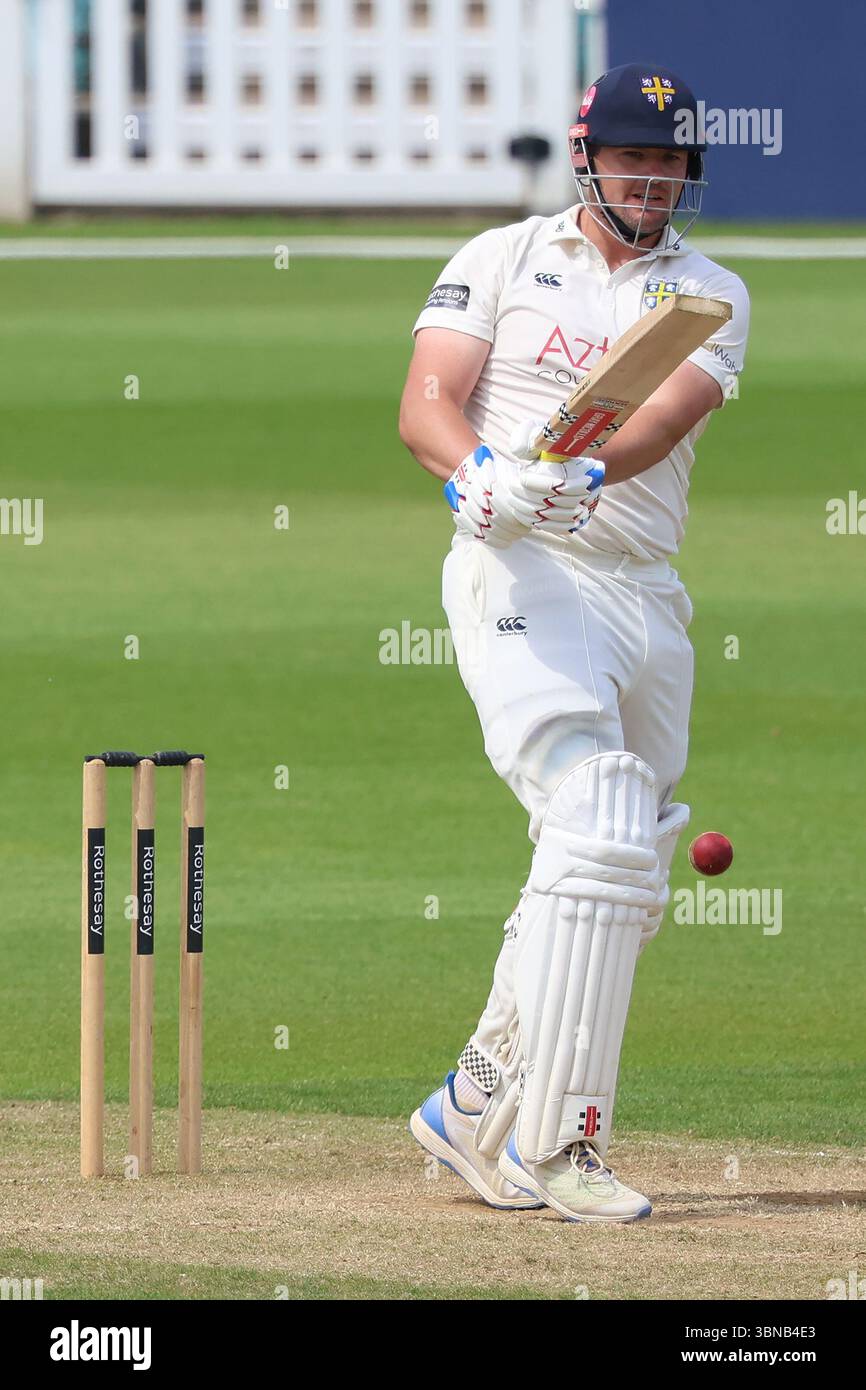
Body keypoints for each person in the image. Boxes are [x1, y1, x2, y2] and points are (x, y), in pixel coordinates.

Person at [399, 63, 749, 1223]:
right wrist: (484, 475)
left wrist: (580, 469)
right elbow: (426, 404)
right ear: (583, 152)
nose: (651, 177)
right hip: (519, 569)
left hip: (642, 593)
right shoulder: (499, 257)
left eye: (670, 161)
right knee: (595, 806)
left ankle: (473, 1099)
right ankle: (560, 1145)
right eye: (632, 155)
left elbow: (659, 416)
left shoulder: (707, 290)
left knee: (619, 865)